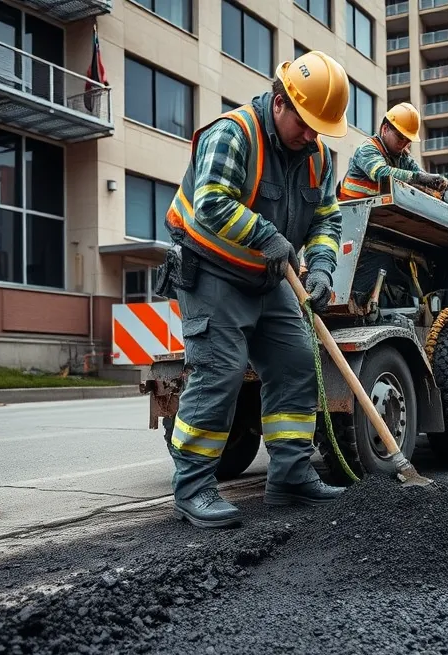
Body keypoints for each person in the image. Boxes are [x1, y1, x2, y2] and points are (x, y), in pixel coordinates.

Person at [161, 51, 350, 529]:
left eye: (319, 128)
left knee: (296, 363)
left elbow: (327, 219)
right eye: (305, 123)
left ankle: (290, 477)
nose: (311, 136)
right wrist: (267, 237)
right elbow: (211, 203)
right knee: (219, 371)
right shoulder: (235, 133)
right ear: (280, 102)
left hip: (269, 276)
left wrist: (322, 268)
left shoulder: (317, 156)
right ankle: (193, 488)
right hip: (212, 270)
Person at [338, 102, 448, 200]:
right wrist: (418, 178)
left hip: (376, 213)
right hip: (351, 212)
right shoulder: (367, 150)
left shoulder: (404, 159)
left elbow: (422, 175)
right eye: (400, 137)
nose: (404, 144)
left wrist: (437, 184)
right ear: (385, 129)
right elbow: (381, 173)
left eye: (408, 141)